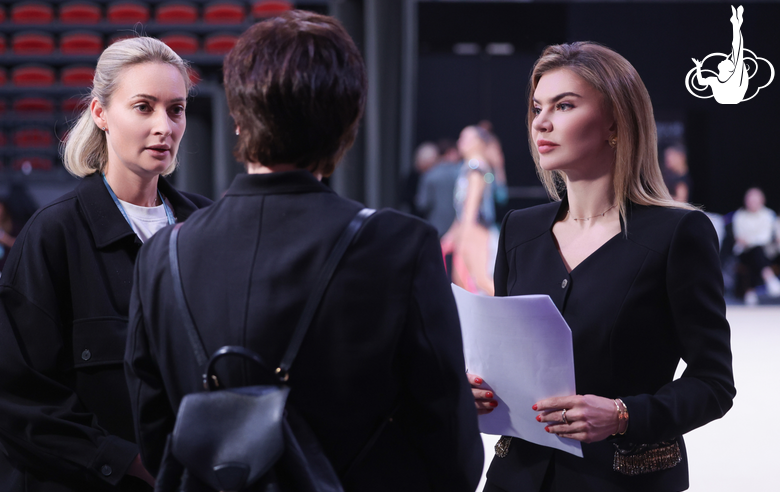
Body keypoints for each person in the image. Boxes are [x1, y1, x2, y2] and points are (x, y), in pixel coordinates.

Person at [124, 10, 483, 492]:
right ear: (349, 124)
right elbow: (449, 441)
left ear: (237, 116)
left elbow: (155, 432)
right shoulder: (401, 246)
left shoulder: (163, 254)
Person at [470, 42, 735, 492]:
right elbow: (505, 358)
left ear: (615, 120)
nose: (542, 122)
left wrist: (622, 415)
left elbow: (714, 383)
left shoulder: (677, 233)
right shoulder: (520, 230)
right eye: (537, 108)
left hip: (623, 480)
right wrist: (477, 390)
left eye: (564, 105)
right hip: (516, 478)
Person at [0, 37, 211, 491]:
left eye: (176, 109)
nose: (164, 126)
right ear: (100, 114)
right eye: (143, 107)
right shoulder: (52, 236)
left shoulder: (207, 229)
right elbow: (20, 401)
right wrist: (128, 462)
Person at [442, 125, 499, 295]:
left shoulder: (476, 167)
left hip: (476, 231)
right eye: (461, 138)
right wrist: (451, 236)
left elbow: (471, 208)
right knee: (466, 283)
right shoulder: (468, 167)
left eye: (466, 138)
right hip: (470, 229)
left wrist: (463, 239)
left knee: (479, 281)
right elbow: (462, 209)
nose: (461, 142)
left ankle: (519, 313)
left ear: (479, 142)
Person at [732, 187, 780, 304]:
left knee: (757, 251)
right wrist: (751, 241)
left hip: (765, 251)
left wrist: (750, 240)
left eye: (755, 199)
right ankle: (769, 278)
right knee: (754, 252)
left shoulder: (768, 214)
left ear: (762, 200)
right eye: (750, 199)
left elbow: (766, 237)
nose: (752, 202)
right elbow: (739, 237)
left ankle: (750, 291)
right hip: (744, 252)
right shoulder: (739, 215)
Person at [692, 5, 748, 104]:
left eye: (728, 61)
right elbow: (701, 82)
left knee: (737, 51)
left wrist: (736, 26)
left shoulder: (734, 78)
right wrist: (698, 67)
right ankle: (736, 24)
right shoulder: (714, 80)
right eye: (728, 60)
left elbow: (737, 49)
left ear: (729, 69)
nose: (725, 59)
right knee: (737, 51)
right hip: (727, 96)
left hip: (734, 95)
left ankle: (736, 24)